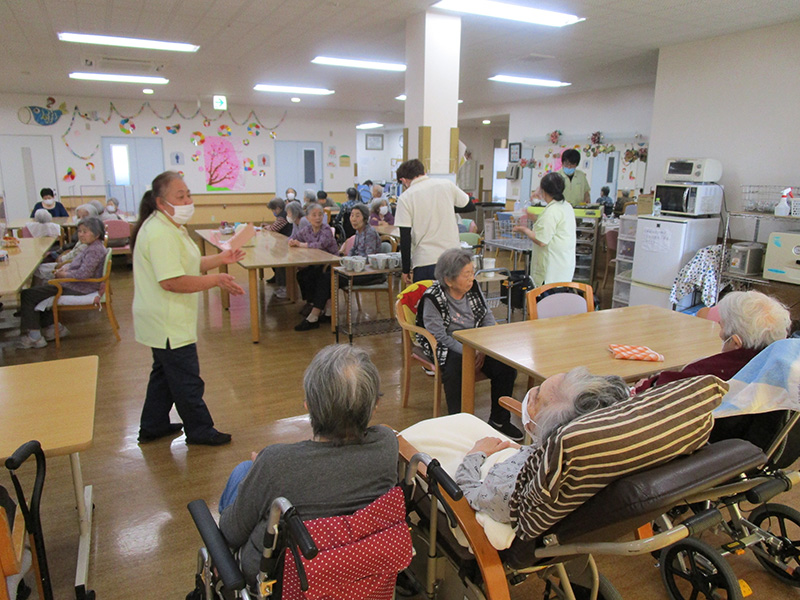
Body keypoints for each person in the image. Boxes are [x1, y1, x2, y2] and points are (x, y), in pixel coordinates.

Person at [218, 344, 398, 588]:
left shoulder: (275, 462)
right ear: (375, 406)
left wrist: (259, 472)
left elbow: (231, 531)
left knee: (242, 472)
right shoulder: (386, 444)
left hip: (282, 577)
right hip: (354, 564)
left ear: (308, 407)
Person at [132, 171, 245, 446]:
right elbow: (171, 281)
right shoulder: (160, 233)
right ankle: (199, 430)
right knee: (185, 378)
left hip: (165, 318)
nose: (187, 201)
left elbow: (187, 264)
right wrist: (216, 280)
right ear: (161, 202)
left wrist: (221, 258)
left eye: (188, 195)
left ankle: (153, 425)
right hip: (167, 319)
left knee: (163, 374)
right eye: (180, 196)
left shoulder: (170, 227)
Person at [455, 368, 629, 523]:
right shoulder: (605, 454)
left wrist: (475, 455)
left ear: (546, 429)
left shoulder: (506, 485)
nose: (530, 394)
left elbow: (470, 496)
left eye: (536, 398)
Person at [633, 291, 791, 449]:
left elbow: (654, 397)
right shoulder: (781, 369)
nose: (720, 334)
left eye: (722, 328)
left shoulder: (711, 374)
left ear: (736, 343)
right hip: (751, 455)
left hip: (704, 453)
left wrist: (643, 386)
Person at [417, 248, 523, 440]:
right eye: (466, 274)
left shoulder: (472, 288)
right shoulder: (432, 297)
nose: (471, 278)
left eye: (472, 273)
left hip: (477, 342)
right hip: (449, 345)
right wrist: (469, 351)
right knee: (455, 369)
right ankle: (459, 424)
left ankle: (500, 420)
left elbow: (487, 317)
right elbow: (438, 336)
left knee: (505, 366)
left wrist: (483, 346)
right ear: (449, 280)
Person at [18, 216, 107, 348]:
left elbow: (84, 274)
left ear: (97, 234)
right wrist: (66, 268)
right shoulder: (91, 246)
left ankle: (35, 337)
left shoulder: (94, 250)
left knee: (28, 295)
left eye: (85, 231)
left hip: (80, 286)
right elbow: (80, 267)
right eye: (80, 231)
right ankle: (52, 328)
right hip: (76, 283)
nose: (80, 234)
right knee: (42, 288)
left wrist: (64, 274)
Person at [395, 158, 472, 286]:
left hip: (425, 260)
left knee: (427, 303)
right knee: (452, 303)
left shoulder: (405, 198)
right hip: (452, 258)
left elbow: (405, 237)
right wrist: (446, 207)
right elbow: (469, 206)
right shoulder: (446, 185)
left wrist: (405, 269)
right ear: (423, 171)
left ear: (404, 180)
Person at [513, 172, 577, 287]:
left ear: (544, 190)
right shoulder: (566, 206)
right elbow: (552, 228)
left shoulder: (552, 211)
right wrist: (535, 218)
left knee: (546, 300)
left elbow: (541, 240)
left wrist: (523, 229)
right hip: (564, 264)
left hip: (551, 269)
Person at [289, 203, 339, 331]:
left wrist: (300, 244)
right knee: (302, 275)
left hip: (330, 262)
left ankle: (315, 313)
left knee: (320, 277)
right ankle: (312, 303)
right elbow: (294, 237)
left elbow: (321, 245)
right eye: (314, 215)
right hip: (317, 262)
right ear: (308, 217)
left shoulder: (326, 229)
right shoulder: (308, 229)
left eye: (320, 215)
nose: (317, 218)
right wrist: (292, 241)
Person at [342, 204, 385, 286]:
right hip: (358, 268)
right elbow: (353, 249)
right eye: (352, 215)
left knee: (333, 279)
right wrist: (347, 261)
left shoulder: (370, 232)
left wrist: (354, 264)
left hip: (370, 272)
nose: (353, 219)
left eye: (357, 216)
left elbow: (369, 257)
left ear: (365, 218)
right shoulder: (358, 231)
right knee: (329, 276)